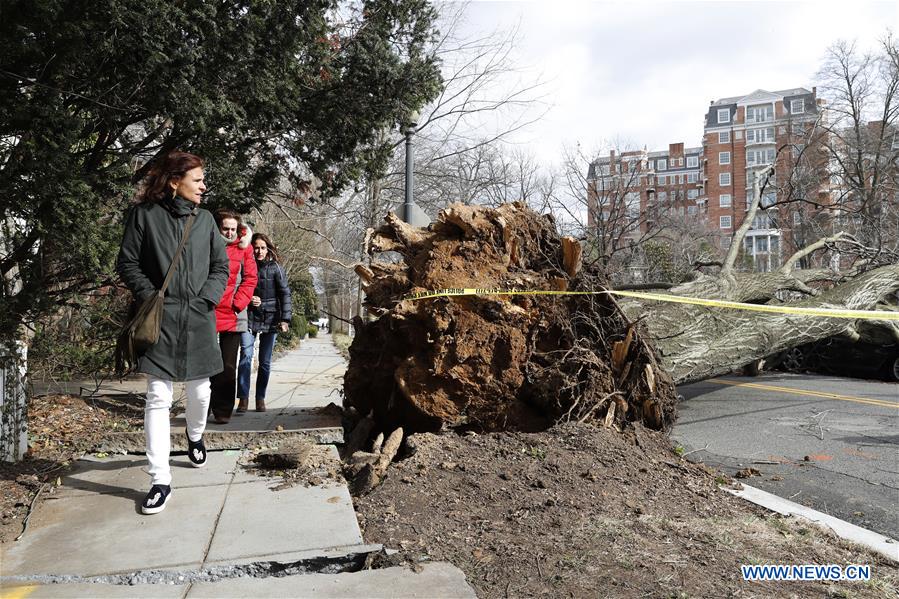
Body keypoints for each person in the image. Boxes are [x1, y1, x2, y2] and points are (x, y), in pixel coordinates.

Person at [116, 151, 229, 515]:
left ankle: (195, 435)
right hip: (159, 318)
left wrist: (207, 300)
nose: (203, 186)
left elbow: (220, 266)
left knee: (200, 390)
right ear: (174, 182)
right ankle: (159, 479)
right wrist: (150, 296)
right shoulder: (143, 216)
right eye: (197, 180)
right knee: (158, 396)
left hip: (198, 317)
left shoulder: (207, 219)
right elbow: (127, 262)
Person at [208, 210, 257, 424]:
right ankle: (205, 404)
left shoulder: (244, 248)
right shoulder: (208, 244)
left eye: (233, 229)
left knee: (228, 365)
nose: (229, 232)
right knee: (207, 362)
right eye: (225, 228)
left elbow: (250, 278)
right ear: (218, 228)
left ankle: (223, 410)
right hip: (208, 309)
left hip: (234, 312)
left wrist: (238, 304)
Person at [238, 233, 292, 412]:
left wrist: (285, 319)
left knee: (265, 362)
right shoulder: (246, 265)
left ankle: (260, 398)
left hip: (271, 319)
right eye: (256, 247)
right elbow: (239, 288)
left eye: (262, 247)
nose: (259, 251)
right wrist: (249, 298)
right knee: (246, 356)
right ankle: (243, 398)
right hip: (249, 317)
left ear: (268, 248)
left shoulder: (276, 268)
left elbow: (285, 294)